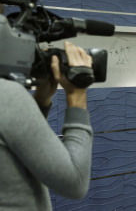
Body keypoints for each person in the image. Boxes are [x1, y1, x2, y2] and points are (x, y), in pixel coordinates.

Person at [0, 41, 93, 210]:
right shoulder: (7, 95)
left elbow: (15, 146)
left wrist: (40, 101)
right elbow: (75, 182)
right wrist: (76, 94)